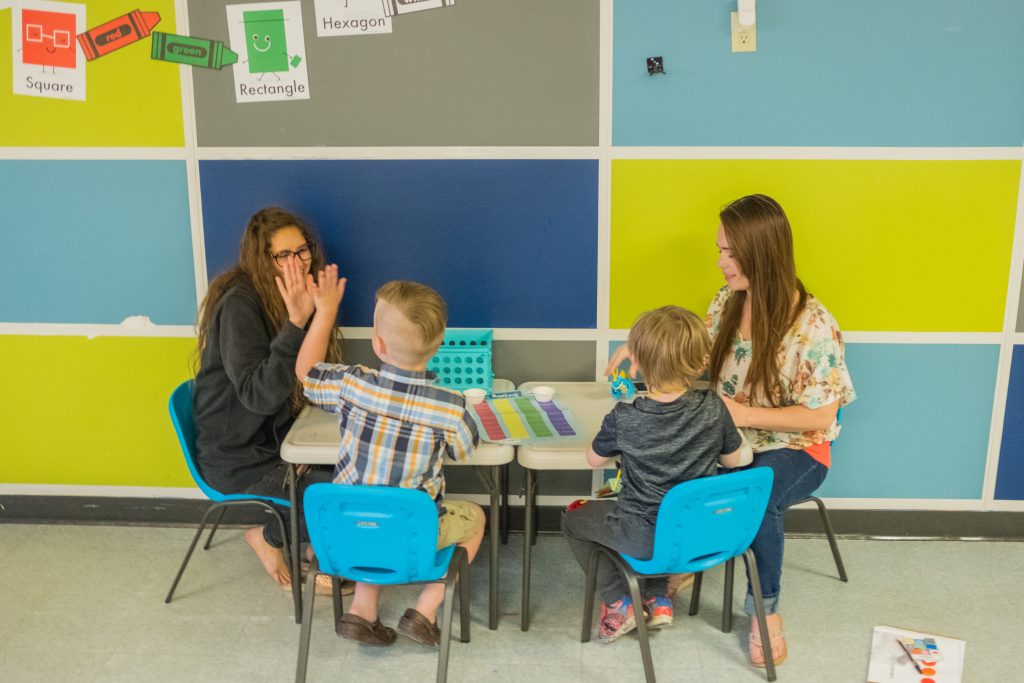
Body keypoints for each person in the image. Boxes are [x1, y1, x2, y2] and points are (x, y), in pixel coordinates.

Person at [605, 194, 856, 667]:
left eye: (730, 253)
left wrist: (741, 414)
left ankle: (765, 611)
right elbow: (691, 355)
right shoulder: (727, 301)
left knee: (755, 498)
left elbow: (821, 417)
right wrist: (641, 350)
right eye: (719, 250)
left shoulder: (814, 326)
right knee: (666, 475)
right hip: (727, 438)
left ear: (762, 254)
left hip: (797, 448)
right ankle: (679, 566)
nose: (720, 263)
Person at [296, 276, 486, 647]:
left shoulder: (352, 384)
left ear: (378, 344)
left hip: (348, 533)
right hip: (413, 538)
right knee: (475, 517)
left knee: (373, 508)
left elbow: (306, 371)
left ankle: (362, 611)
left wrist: (324, 312)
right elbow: (466, 451)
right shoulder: (451, 407)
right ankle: (424, 610)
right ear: (439, 345)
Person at [564, 306, 745, 643]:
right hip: (698, 532)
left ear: (637, 362)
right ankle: (657, 598)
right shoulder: (713, 406)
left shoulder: (625, 417)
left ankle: (619, 601)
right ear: (701, 362)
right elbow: (733, 460)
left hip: (642, 537)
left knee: (573, 520)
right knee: (671, 510)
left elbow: (593, 459)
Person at [193, 207, 343, 591]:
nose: (298, 263)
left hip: (279, 444)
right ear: (264, 259)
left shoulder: (296, 293)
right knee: (337, 503)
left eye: (302, 250)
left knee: (358, 480)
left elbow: (311, 377)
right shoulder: (239, 304)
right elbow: (258, 396)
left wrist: (319, 315)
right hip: (238, 459)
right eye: (284, 255)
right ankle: (267, 536)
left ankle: (320, 548)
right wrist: (296, 323)